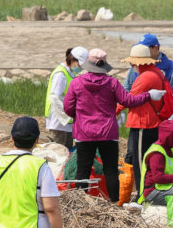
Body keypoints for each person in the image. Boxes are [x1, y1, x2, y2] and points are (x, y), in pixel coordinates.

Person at [63, 49, 164, 203]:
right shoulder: (112, 83)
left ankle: (80, 204)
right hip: (108, 133)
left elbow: (68, 107)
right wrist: (149, 95)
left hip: (84, 133)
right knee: (110, 170)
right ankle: (115, 203)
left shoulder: (77, 82)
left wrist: (80, 118)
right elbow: (129, 101)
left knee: (82, 169)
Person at [118, 44, 173, 199]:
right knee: (147, 161)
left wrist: (112, 113)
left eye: (132, 64)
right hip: (152, 123)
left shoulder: (145, 77)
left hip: (143, 124)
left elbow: (127, 100)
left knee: (140, 163)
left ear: (138, 62)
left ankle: (142, 196)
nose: (132, 67)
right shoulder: (156, 73)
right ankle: (147, 193)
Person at [124, 33, 173, 120]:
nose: (142, 51)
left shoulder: (169, 66)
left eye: (145, 48)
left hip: (161, 115)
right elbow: (127, 88)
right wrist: (119, 109)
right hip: (139, 115)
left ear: (155, 48)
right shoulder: (136, 63)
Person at [44, 46, 89, 149]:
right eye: (80, 65)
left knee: (67, 150)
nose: (81, 68)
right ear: (72, 60)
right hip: (59, 120)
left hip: (66, 121)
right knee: (58, 152)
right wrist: (67, 115)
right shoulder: (60, 74)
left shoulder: (70, 73)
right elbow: (55, 98)